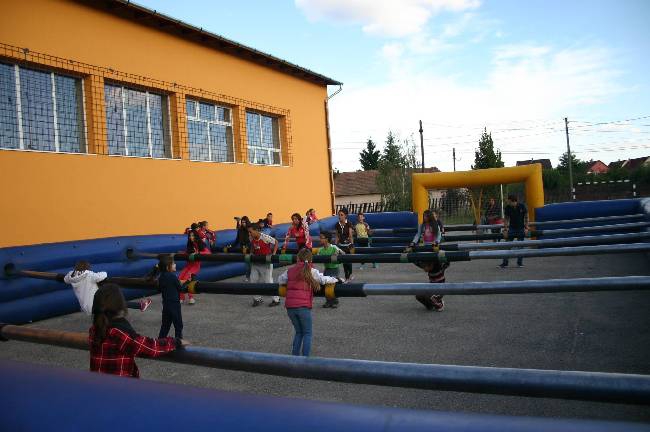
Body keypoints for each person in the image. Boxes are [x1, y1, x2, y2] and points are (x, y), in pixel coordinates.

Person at [89, 283, 183, 378]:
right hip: (118, 385)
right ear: (120, 304)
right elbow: (150, 347)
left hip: (97, 384)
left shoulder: (94, 330)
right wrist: (176, 342)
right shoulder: (118, 332)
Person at [277, 249, 340, 356]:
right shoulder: (311, 271)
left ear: (297, 258)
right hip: (303, 307)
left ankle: (294, 357)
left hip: (290, 307)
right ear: (311, 259)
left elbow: (280, 280)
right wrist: (337, 279)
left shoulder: (289, 271)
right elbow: (323, 279)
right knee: (307, 333)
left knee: (298, 332)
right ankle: (305, 359)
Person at [64, 261, 151, 314]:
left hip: (85, 307)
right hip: (95, 305)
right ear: (87, 268)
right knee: (115, 301)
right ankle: (140, 306)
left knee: (113, 302)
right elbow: (101, 276)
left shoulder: (71, 275)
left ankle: (139, 305)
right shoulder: (88, 275)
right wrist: (104, 272)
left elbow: (65, 279)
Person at [150, 254, 185, 340]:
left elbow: (159, 289)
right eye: (173, 264)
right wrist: (187, 282)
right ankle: (178, 342)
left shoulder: (161, 277)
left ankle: (159, 341)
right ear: (167, 267)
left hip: (166, 304)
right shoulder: (173, 276)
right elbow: (180, 289)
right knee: (178, 325)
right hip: (174, 304)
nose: (175, 265)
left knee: (165, 325)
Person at [248, 223, 280, 307]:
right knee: (253, 281)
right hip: (256, 263)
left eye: (251, 232)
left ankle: (276, 299)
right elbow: (252, 246)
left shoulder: (264, 237)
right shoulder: (251, 238)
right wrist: (251, 253)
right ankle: (257, 299)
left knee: (268, 282)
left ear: (256, 230)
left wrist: (273, 254)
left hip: (266, 263)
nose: (249, 234)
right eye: (249, 232)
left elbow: (276, 242)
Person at [178, 230, 209, 304]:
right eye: (190, 236)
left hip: (195, 266)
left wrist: (198, 253)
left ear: (196, 236)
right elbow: (187, 253)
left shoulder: (199, 244)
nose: (191, 237)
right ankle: (181, 297)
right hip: (188, 265)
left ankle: (191, 298)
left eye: (192, 236)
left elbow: (208, 252)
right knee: (180, 278)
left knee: (187, 278)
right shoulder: (190, 244)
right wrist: (182, 253)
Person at [499, 195, 529, 268]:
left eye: (509, 201)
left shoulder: (522, 206)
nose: (508, 203)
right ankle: (505, 263)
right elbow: (506, 219)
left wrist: (526, 227)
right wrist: (505, 229)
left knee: (520, 246)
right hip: (512, 228)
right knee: (507, 245)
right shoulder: (508, 207)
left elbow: (526, 217)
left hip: (521, 228)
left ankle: (519, 263)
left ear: (514, 201)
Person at [317, 231, 345, 308]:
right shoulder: (320, 250)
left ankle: (335, 301)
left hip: (334, 269)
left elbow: (343, 253)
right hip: (327, 269)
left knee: (332, 285)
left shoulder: (333, 247)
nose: (320, 239)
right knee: (326, 284)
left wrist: (338, 253)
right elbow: (318, 258)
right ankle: (328, 301)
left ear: (327, 239)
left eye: (321, 238)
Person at [335, 208, 354, 284]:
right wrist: (335, 245)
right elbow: (337, 236)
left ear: (345, 215)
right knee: (344, 262)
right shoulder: (337, 224)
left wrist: (352, 245)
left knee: (349, 262)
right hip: (341, 246)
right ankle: (347, 277)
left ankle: (349, 275)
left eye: (341, 215)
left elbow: (350, 235)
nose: (339, 216)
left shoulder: (349, 223)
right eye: (339, 215)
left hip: (348, 246)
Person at [233, 216, 252, 281]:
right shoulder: (240, 230)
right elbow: (237, 239)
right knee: (247, 263)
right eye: (242, 222)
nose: (243, 223)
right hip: (243, 248)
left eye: (244, 222)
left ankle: (249, 276)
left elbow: (251, 239)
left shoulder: (249, 229)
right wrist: (232, 246)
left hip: (249, 248)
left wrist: (247, 246)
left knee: (249, 263)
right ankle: (248, 277)